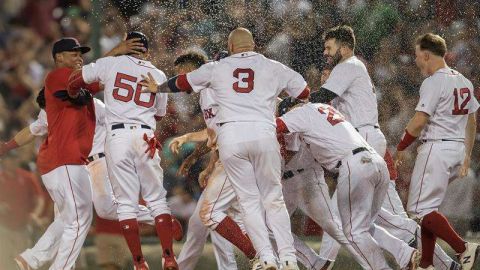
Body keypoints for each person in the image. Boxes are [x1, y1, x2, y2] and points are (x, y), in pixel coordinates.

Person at [140, 27, 310, 270]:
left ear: (230, 48)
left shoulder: (217, 67)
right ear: (253, 46)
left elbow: (181, 82)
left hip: (231, 137)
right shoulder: (273, 66)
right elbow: (303, 92)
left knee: (248, 202)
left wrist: (157, 88)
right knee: (273, 200)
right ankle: (288, 260)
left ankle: (266, 258)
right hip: (264, 134)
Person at [67, 31, 177, 270]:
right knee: (157, 199)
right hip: (145, 135)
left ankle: (139, 262)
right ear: (147, 52)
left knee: (125, 203)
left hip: (117, 136)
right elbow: (159, 114)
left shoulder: (112, 62)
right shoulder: (158, 74)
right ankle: (168, 257)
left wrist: (114, 53)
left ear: (126, 46)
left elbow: (75, 81)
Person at [395, 33, 480, 270]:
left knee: (419, 211)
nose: (416, 60)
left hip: (436, 148)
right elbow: (472, 122)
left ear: (426, 54)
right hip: (455, 148)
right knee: (428, 210)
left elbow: (420, 120)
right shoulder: (464, 80)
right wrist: (466, 155)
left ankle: (463, 247)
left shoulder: (433, 81)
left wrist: (402, 146)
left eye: (417, 55)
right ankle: (426, 264)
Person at [277, 101, 392, 270]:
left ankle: (398, 255)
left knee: (341, 228)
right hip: (288, 182)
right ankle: (315, 262)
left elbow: (286, 146)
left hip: (309, 178)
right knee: (271, 226)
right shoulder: (318, 113)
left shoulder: (300, 116)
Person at [169, 51, 256, 270]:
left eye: (182, 73)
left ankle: (267, 258)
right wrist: (203, 163)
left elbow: (217, 131)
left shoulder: (211, 89)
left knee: (216, 219)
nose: (181, 81)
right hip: (230, 159)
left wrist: (188, 139)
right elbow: (216, 134)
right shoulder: (208, 91)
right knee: (199, 225)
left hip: (236, 161)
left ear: (194, 69)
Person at [0, 154, 45, 270]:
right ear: (3, 161)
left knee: (23, 261)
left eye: (14, 158)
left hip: (23, 226)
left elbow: (39, 198)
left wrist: (35, 214)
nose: (12, 161)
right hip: (3, 227)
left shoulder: (27, 177)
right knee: (4, 261)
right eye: (9, 158)